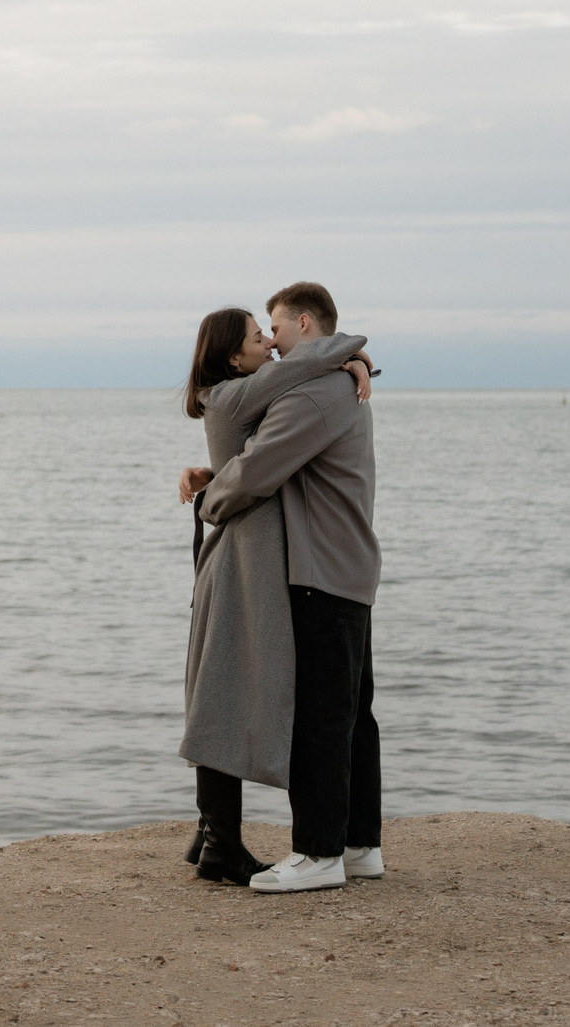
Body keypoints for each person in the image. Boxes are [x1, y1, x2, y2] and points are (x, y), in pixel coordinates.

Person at [182, 281, 382, 895]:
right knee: (349, 715)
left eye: (274, 328)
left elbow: (263, 465)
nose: (271, 342)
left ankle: (319, 852)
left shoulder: (319, 390)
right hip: (338, 565)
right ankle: (356, 845)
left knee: (324, 716)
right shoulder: (331, 383)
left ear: (302, 322)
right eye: (258, 334)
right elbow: (270, 455)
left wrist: (210, 495)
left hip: (319, 569)